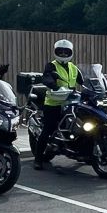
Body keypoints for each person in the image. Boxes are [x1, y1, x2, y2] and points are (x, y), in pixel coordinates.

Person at [34, 39, 80, 168]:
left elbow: (84, 80)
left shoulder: (74, 67)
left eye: (66, 52)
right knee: (48, 129)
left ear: (71, 52)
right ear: (56, 52)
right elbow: (46, 77)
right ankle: (38, 159)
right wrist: (54, 86)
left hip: (70, 102)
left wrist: (97, 87)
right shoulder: (51, 65)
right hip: (54, 102)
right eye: (61, 52)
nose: (63, 54)